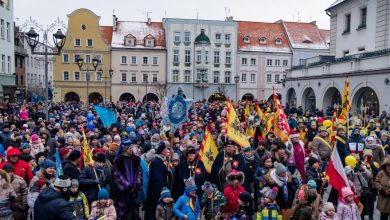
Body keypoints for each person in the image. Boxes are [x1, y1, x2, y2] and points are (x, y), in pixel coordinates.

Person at [113, 140, 143, 220]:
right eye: (130, 148)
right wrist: (128, 186)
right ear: (125, 149)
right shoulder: (118, 161)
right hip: (123, 193)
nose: (131, 149)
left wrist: (136, 185)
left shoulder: (136, 159)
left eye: (132, 148)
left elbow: (139, 173)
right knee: (122, 213)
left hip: (134, 192)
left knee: (135, 213)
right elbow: (117, 176)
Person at [145, 142, 169, 220]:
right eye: (166, 149)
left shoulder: (162, 160)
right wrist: (163, 188)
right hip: (157, 190)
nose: (167, 151)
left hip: (161, 188)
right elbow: (157, 178)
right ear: (162, 151)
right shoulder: (156, 162)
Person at [374, 156, 390, 220]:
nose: (389, 167)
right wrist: (382, 189)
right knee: (383, 216)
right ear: (385, 166)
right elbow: (376, 182)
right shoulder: (381, 173)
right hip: (383, 200)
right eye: (387, 166)